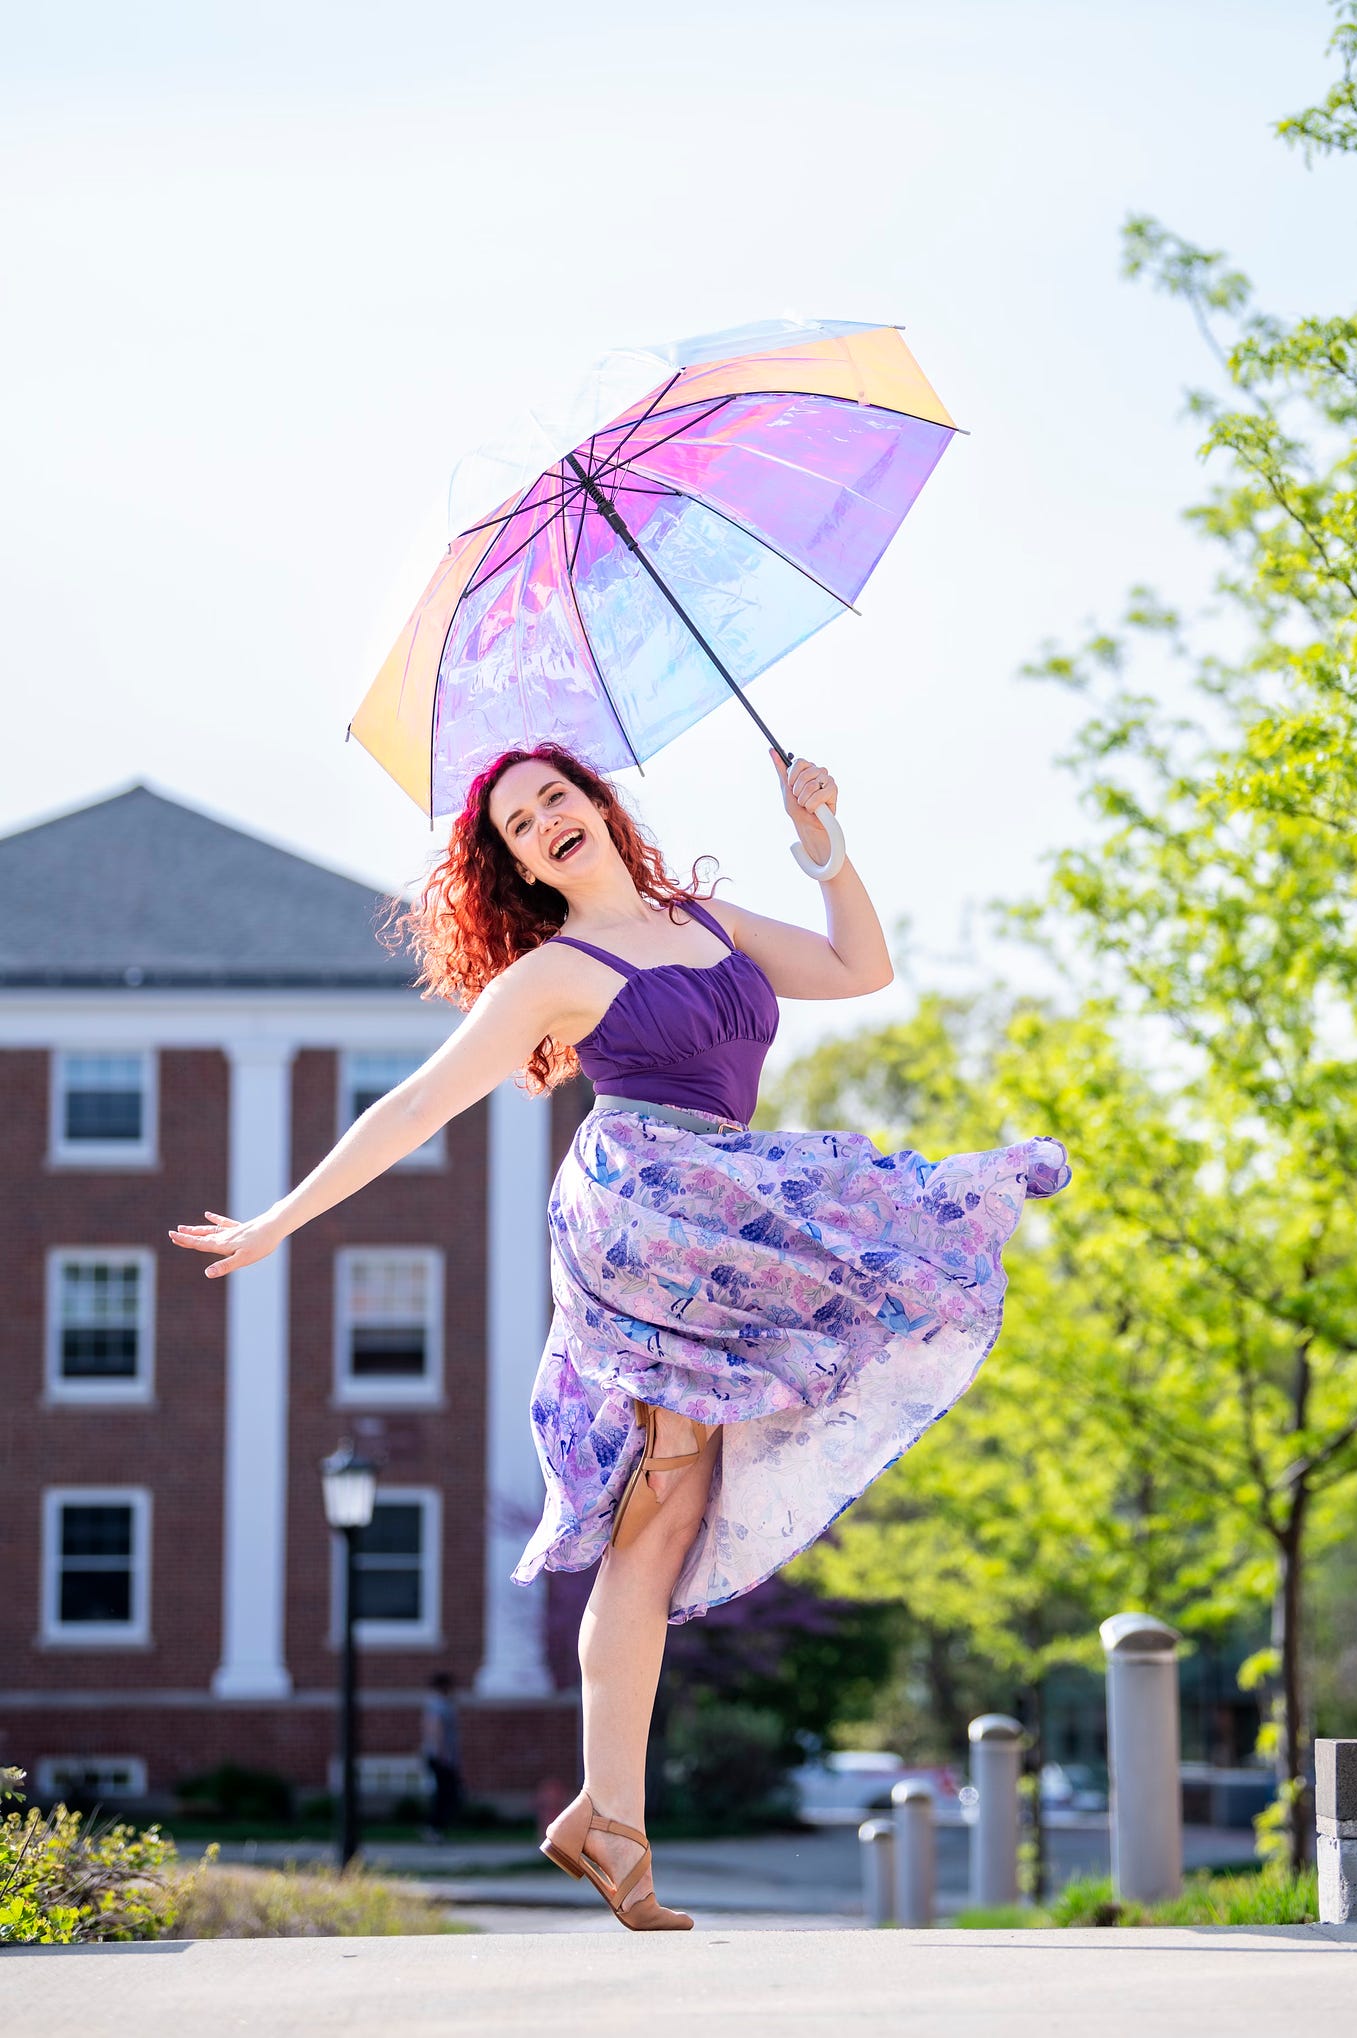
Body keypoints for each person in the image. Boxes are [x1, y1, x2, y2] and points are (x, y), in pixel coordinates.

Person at [171, 745, 1069, 1931]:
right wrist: (284, 1217)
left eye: (556, 798)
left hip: (730, 1194)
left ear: (599, 805)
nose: (546, 822)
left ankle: (601, 1812)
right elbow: (416, 1103)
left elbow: (861, 967)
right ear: (513, 864)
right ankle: (612, 1816)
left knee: (676, 1508)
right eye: (517, 823)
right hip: (648, 1216)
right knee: (661, 1507)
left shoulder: (699, 915)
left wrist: (821, 839)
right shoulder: (550, 974)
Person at [420, 1670, 462, 1842]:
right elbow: (434, 1728)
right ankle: (433, 1828)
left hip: (442, 1756)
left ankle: (436, 1827)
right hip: (441, 1757)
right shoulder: (438, 1705)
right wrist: (442, 1753)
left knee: (446, 1793)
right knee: (443, 1794)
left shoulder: (440, 1704)